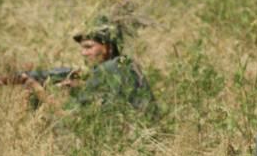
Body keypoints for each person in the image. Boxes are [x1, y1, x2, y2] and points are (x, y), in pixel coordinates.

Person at [25, 16, 158, 117]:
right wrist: (79, 87)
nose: (83, 53)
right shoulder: (125, 64)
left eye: (89, 47)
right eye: (82, 48)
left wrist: (39, 92)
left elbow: (71, 118)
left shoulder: (107, 69)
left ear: (108, 47)